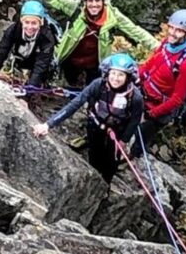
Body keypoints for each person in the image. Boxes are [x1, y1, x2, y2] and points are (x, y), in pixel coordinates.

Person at [32, 0, 157, 86]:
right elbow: (56, 0)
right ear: (85, 2)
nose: (94, 5)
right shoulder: (77, 9)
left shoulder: (112, 16)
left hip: (95, 64)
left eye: (97, 0)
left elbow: (135, 31)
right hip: (71, 59)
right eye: (90, 1)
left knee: (92, 94)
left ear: (103, 1)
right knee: (67, 87)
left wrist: (160, 47)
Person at [33, 53, 143, 183]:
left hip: (118, 131)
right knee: (94, 155)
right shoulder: (98, 85)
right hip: (96, 124)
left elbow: (134, 120)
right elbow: (75, 104)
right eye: (113, 73)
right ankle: (94, 183)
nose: (115, 78)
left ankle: (105, 185)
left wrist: (124, 141)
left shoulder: (135, 97)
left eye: (121, 75)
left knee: (111, 162)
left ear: (128, 77)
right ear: (107, 73)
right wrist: (48, 125)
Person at [134, 8, 186, 157]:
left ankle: (133, 158)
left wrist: (151, 114)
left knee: (139, 139)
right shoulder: (166, 44)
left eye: (178, 31)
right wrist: (135, 77)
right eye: (171, 27)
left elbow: (177, 99)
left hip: (159, 109)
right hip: (144, 94)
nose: (172, 33)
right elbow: (151, 63)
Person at [0, 0, 56, 88]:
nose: (30, 27)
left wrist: (30, 88)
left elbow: (41, 65)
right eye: (26, 22)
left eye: (34, 23)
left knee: (43, 74)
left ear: (41, 23)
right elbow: (2, 52)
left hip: (37, 62)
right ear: (21, 21)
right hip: (18, 59)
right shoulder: (13, 30)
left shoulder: (47, 38)